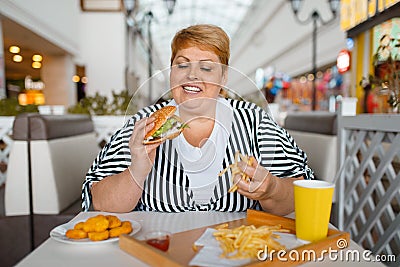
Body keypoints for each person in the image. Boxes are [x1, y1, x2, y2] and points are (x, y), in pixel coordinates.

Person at [82, 24, 313, 216]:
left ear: (223, 78)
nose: (192, 75)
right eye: (182, 65)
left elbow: (300, 194)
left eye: (206, 67)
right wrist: (137, 170)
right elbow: (102, 203)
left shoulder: (254, 121)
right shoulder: (143, 123)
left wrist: (271, 189)